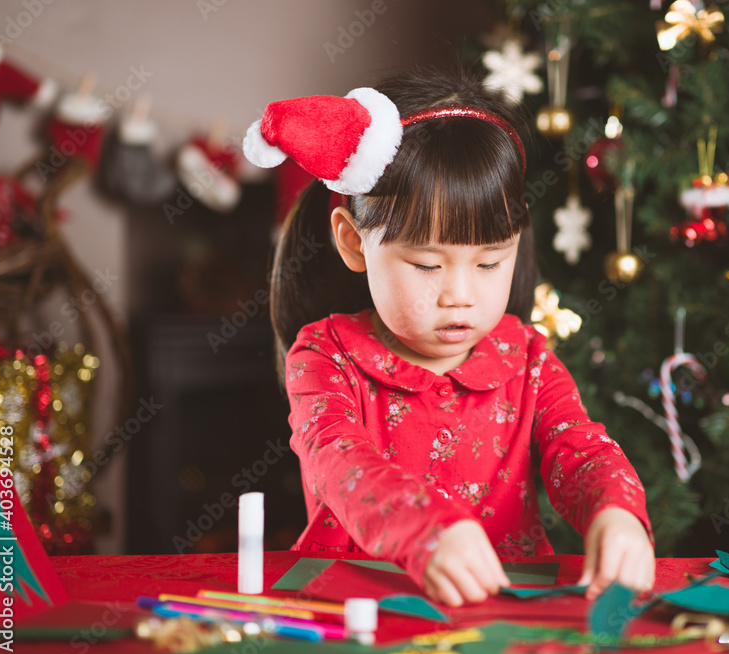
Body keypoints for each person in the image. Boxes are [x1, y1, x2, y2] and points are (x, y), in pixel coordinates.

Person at [247, 66, 655, 607]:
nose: (458, 295)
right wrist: (424, 529)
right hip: (358, 611)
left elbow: (578, 449)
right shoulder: (326, 357)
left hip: (505, 613)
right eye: (425, 264)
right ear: (353, 242)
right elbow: (338, 460)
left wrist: (618, 513)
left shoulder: (528, 357)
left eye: (489, 263)